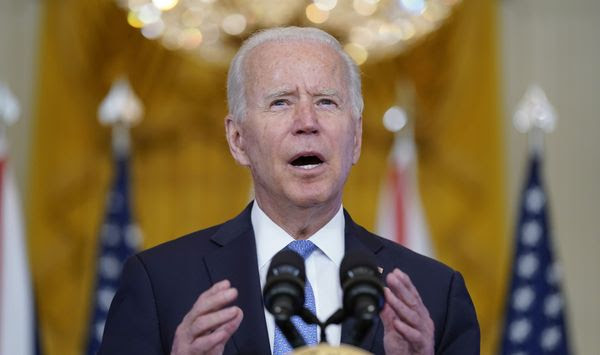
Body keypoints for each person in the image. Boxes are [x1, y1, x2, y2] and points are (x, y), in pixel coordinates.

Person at [99, 26, 479, 355]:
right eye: (281, 102)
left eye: (326, 102)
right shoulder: (159, 284)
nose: (307, 122)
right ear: (238, 140)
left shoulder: (435, 293)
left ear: (357, 138)